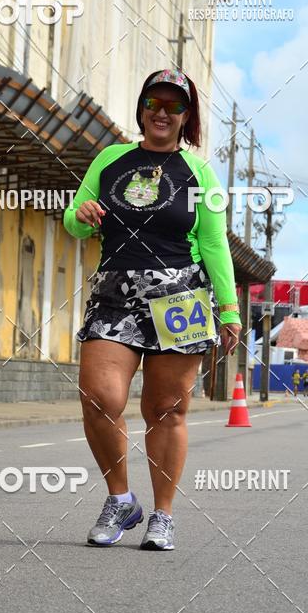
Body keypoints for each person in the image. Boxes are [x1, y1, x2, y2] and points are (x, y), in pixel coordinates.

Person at [63, 67, 241, 551]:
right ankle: (120, 499)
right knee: (99, 398)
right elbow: (76, 221)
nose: (162, 113)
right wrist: (80, 215)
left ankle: (163, 515)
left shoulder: (200, 173)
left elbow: (214, 244)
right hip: (114, 295)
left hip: (180, 297)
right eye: (153, 103)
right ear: (142, 109)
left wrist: (229, 309)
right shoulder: (110, 159)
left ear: (187, 117)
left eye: (174, 106)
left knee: (166, 409)